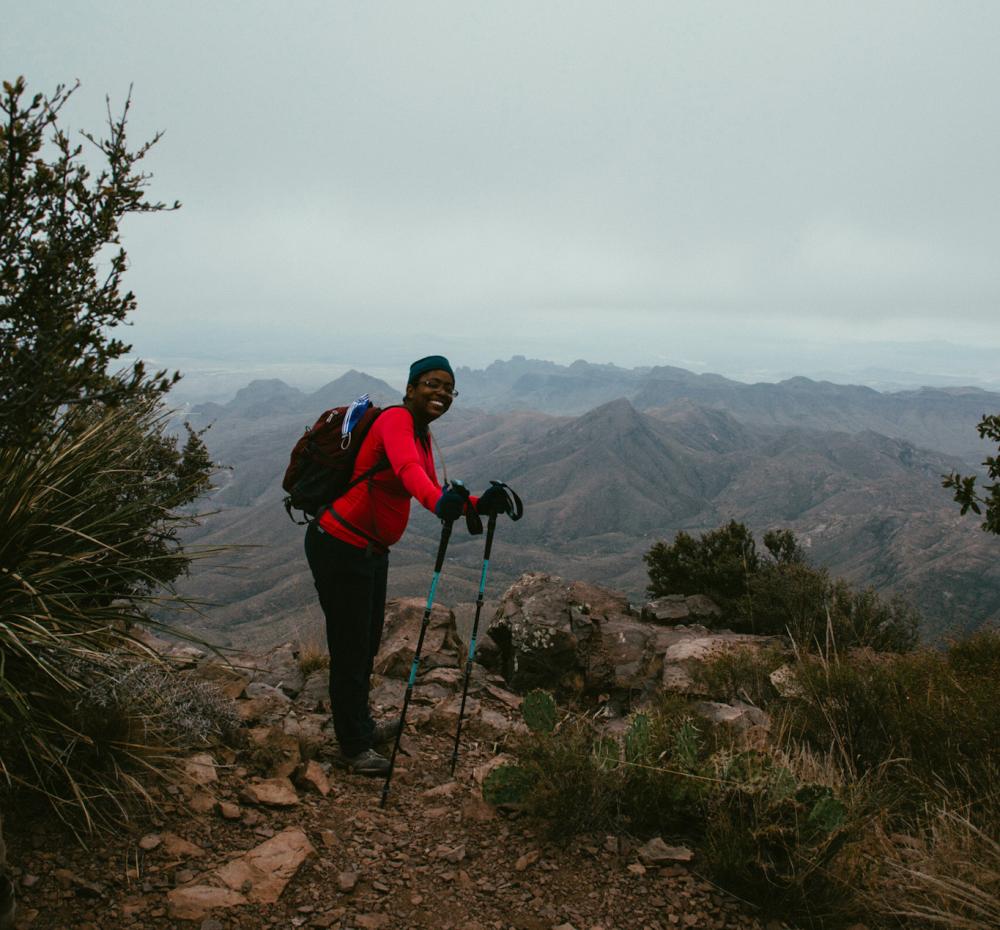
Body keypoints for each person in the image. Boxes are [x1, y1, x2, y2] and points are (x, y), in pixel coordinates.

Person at [304, 355, 513, 775]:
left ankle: (359, 725)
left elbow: (428, 484)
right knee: (350, 648)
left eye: (449, 388)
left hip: (369, 551)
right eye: (433, 384)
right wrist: (438, 503)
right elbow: (408, 471)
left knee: (364, 645)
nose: (441, 394)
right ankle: (352, 746)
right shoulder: (397, 422)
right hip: (340, 545)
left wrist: (476, 504)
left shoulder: (421, 433)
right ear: (412, 387)